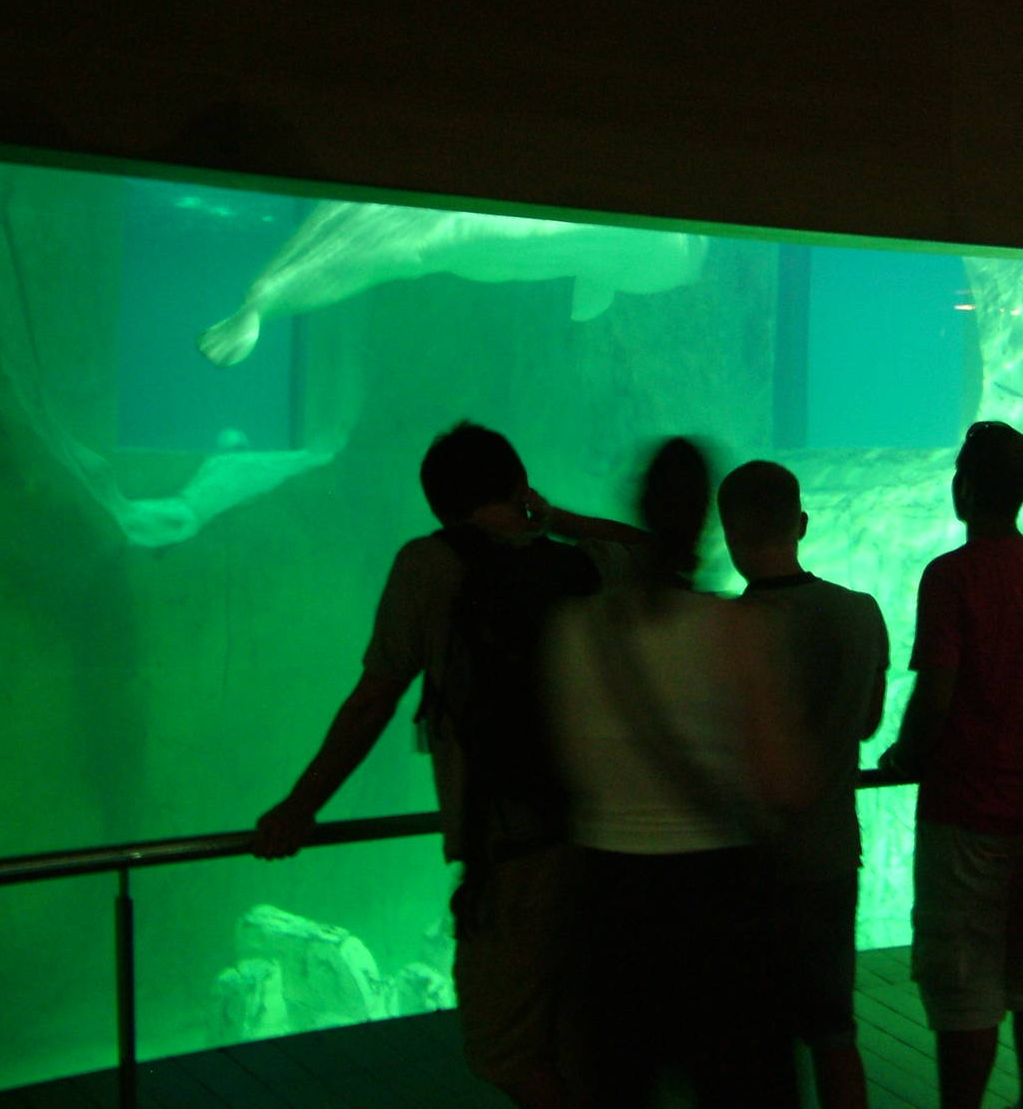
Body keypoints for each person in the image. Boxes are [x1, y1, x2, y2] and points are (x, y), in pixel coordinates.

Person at [250, 421, 644, 1109]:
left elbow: (374, 700)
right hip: (605, 842)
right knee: (578, 1033)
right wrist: (558, 519)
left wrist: (300, 806)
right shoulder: (584, 563)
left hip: (513, 847)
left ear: (437, 503)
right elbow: (658, 555)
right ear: (520, 487)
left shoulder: (429, 565)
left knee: (502, 1048)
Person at [543, 437, 810, 1109]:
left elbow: (566, 776)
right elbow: (784, 783)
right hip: (718, 909)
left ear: (637, 508)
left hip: (608, 905)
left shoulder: (574, 631)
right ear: (706, 523)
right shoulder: (734, 629)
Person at [878, 421, 1023, 1109]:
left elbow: (937, 692)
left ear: (962, 488)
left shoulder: (952, 577)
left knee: (966, 985)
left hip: (967, 816)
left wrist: (903, 755)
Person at [716, 459, 890, 1109]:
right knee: (832, 1033)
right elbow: (868, 722)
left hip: (744, 869)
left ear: (728, 533)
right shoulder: (859, 613)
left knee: (754, 1042)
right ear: (803, 523)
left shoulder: (723, 631)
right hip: (830, 860)